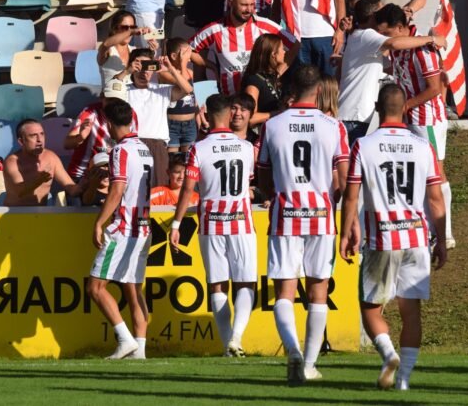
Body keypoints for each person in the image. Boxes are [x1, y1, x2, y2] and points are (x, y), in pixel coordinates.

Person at [340, 83, 447, 391]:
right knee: (411, 311)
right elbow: (436, 199)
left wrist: (348, 231)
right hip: (416, 237)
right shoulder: (422, 145)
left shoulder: (364, 144)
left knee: (369, 307)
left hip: (382, 238)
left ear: (377, 107)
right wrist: (441, 239)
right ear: (405, 109)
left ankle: (389, 355)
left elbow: (351, 196)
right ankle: (403, 381)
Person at [257, 65, 350, 383]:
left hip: (285, 214)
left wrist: (278, 191)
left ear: (292, 89)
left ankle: (294, 353)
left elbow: (262, 175)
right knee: (318, 291)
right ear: (320, 90)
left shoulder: (272, 125)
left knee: (284, 291)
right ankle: (309, 363)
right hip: (321, 216)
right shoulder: (334, 127)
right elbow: (345, 177)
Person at [171, 94, 257, 357]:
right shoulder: (246, 147)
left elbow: (187, 188)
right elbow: (250, 184)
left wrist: (176, 223)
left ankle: (227, 346)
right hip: (241, 221)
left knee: (217, 285)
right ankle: (237, 338)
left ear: (206, 115)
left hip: (211, 222)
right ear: (231, 114)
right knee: (246, 283)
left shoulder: (199, 148)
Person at [374, 4, 455, 249]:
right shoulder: (401, 46)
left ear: (400, 28)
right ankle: (425, 226)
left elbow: (434, 88)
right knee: (417, 172)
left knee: (435, 172)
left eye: (387, 34)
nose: (385, 40)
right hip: (410, 118)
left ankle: (446, 231)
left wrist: (406, 105)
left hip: (426, 119)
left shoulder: (424, 50)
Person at [88, 99, 153, 360]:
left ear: (110, 125)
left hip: (124, 228)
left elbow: (117, 189)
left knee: (96, 287)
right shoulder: (145, 148)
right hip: (143, 228)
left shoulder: (121, 151)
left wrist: (99, 222)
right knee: (133, 290)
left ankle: (125, 339)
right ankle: (141, 350)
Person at [338, 0, 446, 145]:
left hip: (423, 118)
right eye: (380, 10)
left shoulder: (359, 35)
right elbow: (394, 43)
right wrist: (432, 39)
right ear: (372, 17)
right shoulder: (368, 36)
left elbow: (433, 86)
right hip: (357, 116)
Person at [190, 0, 298, 96]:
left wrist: (277, 73)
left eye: (252, 5)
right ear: (230, 3)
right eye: (244, 5)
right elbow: (188, 50)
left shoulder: (265, 25)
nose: (249, 10)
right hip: (229, 100)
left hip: (261, 101)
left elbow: (295, 45)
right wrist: (211, 66)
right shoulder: (215, 30)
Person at [114, 49, 193, 187]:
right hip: (131, 144)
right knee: (131, 188)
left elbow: (187, 89)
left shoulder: (162, 89)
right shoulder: (123, 90)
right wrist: (126, 71)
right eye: (139, 66)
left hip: (158, 146)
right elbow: (109, 92)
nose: (144, 71)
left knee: (158, 190)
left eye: (148, 66)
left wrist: (170, 69)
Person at [3, 120, 87, 207]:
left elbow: (71, 189)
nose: (40, 140)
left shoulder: (51, 157)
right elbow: (19, 193)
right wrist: (39, 180)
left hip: (40, 215)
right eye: (33, 136)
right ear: (21, 141)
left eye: (42, 134)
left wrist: (86, 183)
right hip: (15, 214)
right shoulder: (12, 161)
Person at [65, 79, 132, 187]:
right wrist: (80, 138)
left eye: (118, 101)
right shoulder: (90, 112)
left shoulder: (131, 115)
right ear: (102, 97)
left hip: (115, 177)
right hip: (83, 176)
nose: (113, 105)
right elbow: (67, 144)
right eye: (110, 99)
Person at [241, 34, 290, 128]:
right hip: (260, 137)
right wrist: (277, 113)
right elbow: (250, 118)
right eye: (282, 49)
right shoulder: (254, 81)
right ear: (273, 54)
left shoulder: (273, 76)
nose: (285, 52)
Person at [97, 11, 157, 87]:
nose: (129, 31)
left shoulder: (135, 51)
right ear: (114, 29)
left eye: (132, 27)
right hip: (113, 96)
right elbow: (105, 44)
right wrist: (131, 31)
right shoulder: (109, 50)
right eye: (124, 28)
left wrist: (152, 50)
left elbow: (149, 71)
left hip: (132, 96)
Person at [161, 38, 199, 154]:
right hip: (172, 124)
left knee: (189, 158)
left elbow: (195, 98)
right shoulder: (165, 73)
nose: (189, 56)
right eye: (185, 53)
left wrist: (199, 117)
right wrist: (182, 65)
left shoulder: (190, 72)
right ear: (173, 56)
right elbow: (183, 86)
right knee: (173, 160)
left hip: (190, 123)